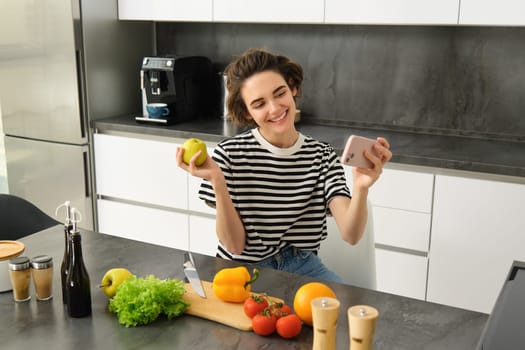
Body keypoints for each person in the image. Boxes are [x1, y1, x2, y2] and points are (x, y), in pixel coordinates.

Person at [176, 48, 392, 283]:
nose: (275, 108)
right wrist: (217, 181)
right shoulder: (229, 154)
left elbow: (351, 235)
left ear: (293, 88)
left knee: (340, 314)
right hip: (242, 270)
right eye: (259, 104)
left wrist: (361, 186)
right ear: (247, 113)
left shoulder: (321, 156)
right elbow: (235, 247)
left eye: (280, 93)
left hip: (304, 266)